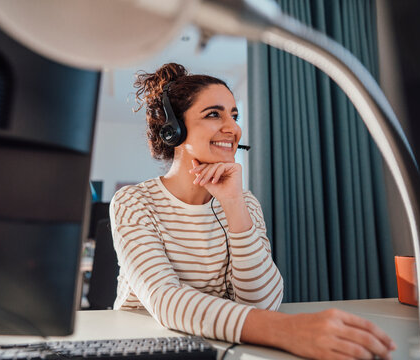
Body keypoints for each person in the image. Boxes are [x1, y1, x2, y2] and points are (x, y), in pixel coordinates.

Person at [110, 63, 396, 360]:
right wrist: (288, 330)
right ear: (174, 130)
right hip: (145, 349)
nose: (232, 128)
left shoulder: (245, 202)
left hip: (223, 347)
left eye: (234, 115)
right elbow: (165, 300)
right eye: (213, 114)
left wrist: (234, 204)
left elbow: (262, 303)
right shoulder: (133, 202)